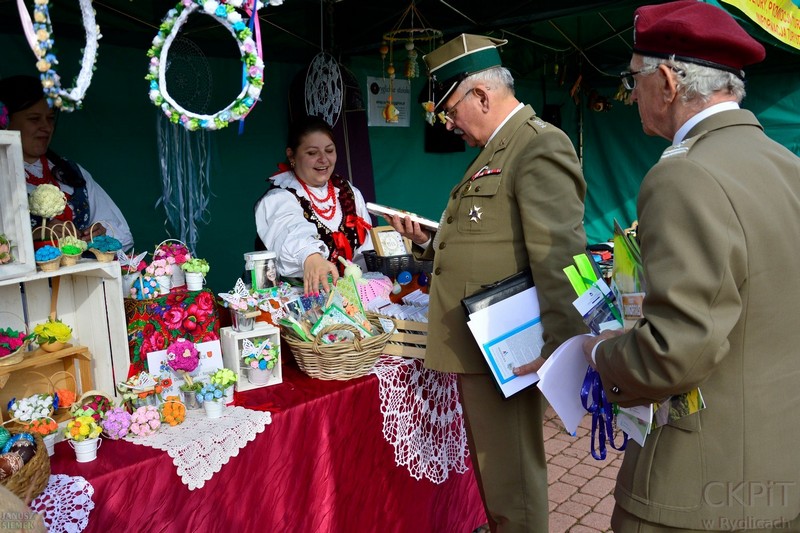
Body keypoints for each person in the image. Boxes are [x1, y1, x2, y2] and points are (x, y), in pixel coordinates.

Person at [581, 2, 800, 531]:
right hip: (778, 468)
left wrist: (599, 354)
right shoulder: (787, 165)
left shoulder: (684, 176)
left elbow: (673, 353)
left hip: (695, 488)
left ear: (666, 81)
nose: (631, 95)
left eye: (633, 79)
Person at [387, 34, 589, 532]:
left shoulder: (538, 144)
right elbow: (487, 238)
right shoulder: (499, 147)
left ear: (481, 95)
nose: (448, 122)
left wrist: (562, 347)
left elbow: (561, 255)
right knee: (496, 473)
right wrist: (425, 245)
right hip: (486, 345)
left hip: (514, 345)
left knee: (511, 478)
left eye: (451, 109)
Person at [0, 75, 133, 251]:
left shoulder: (70, 171)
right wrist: (35, 234)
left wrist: (100, 233)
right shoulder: (4, 176)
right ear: (6, 122)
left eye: (50, 118)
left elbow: (124, 235)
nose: (46, 127)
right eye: (34, 119)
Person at [254, 115, 373, 295]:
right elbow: (290, 230)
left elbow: (365, 252)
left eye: (329, 150)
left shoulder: (349, 193)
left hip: (351, 299)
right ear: (291, 155)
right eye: (312, 153)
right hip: (298, 306)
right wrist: (310, 257)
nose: (323, 159)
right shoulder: (278, 199)